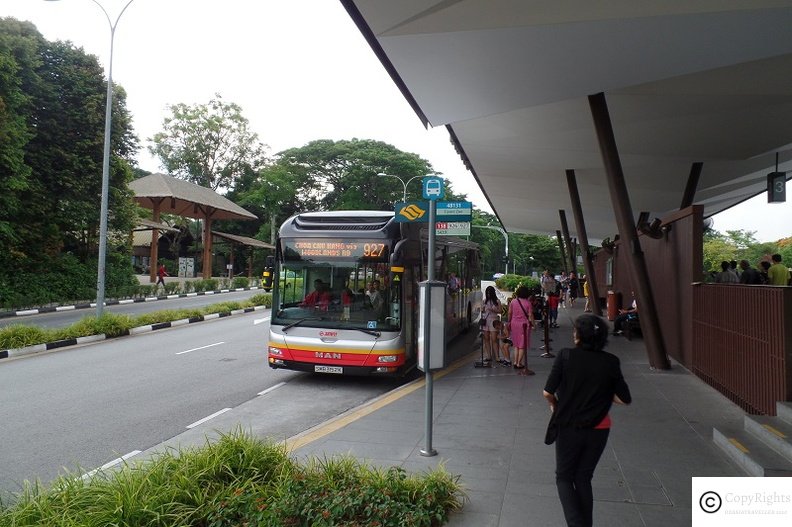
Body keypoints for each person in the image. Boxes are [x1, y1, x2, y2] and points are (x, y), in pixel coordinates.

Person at [543, 314, 631, 527]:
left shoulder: (565, 356)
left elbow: (547, 392)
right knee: (583, 477)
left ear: (578, 336)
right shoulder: (611, 362)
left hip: (569, 427)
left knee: (564, 477)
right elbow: (624, 399)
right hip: (599, 429)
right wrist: (600, 392)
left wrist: (555, 405)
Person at [508, 285, 535, 374]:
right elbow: (530, 315)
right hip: (524, 325)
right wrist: (534, 325)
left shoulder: (513, 301)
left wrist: (509, 322)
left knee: (516, 344)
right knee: (522, 345)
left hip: (514, 324)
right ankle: (519, 363)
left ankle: (515, 361)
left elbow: (509, 313)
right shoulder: (528, 303)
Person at [481, 285, 502, 363]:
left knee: (494, 339)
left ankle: (497, 357)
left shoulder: (497, 301)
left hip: (494, 320)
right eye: (487, 293)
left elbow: (500, 311)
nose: (488, 294)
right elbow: (482, 311)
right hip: (486, 320)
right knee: (486, 338)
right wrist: (482, 309)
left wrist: (494, 310)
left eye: (490, 293)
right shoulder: (484, 301)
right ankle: (488, 356)